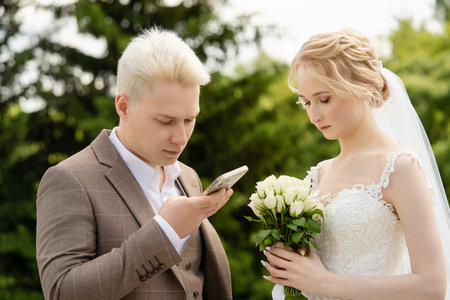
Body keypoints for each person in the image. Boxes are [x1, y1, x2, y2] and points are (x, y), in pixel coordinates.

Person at [36, 27, 234, 300]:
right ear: (123, 107)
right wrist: (165, 232)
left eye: (190, 119)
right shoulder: (70, 180)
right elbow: (62, 292)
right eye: (165, 121)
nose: (181, 137)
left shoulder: (188, 176)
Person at [262, 28, 450, 299]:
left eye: (324, 99)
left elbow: (431, 286)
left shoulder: (400, 167)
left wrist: (324, 283)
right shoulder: (320, 173)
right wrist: (291, 263)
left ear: (363, 87)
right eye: (305, 102)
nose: (314, 115)